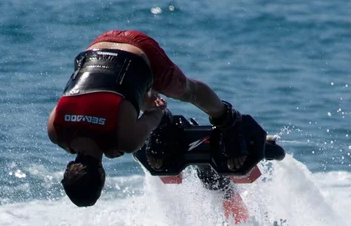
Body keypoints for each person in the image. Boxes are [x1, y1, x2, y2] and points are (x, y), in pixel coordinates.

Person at [47, 30, 252, 207]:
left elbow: (156, 111)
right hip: (97, 46)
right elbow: (92, 102)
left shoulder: (126, 142)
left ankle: (227, 119)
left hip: (140, 52)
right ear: (67, 168)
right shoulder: (55, 131)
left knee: (189, 91)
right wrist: (98, 140)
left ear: (102, 177)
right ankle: (177, 123)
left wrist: (123, 136)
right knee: (127, 95)